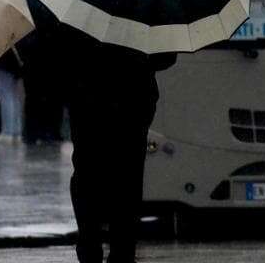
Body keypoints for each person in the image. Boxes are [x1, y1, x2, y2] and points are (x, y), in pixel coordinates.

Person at [53, 23, 174, 263]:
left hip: (88, 98)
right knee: (127, 177)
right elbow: (166, 57)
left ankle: (90, 245)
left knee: (87, 173)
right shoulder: (148, 4)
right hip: (132, 100)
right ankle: (122, 250)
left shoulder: (84, 4)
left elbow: (61, 50)